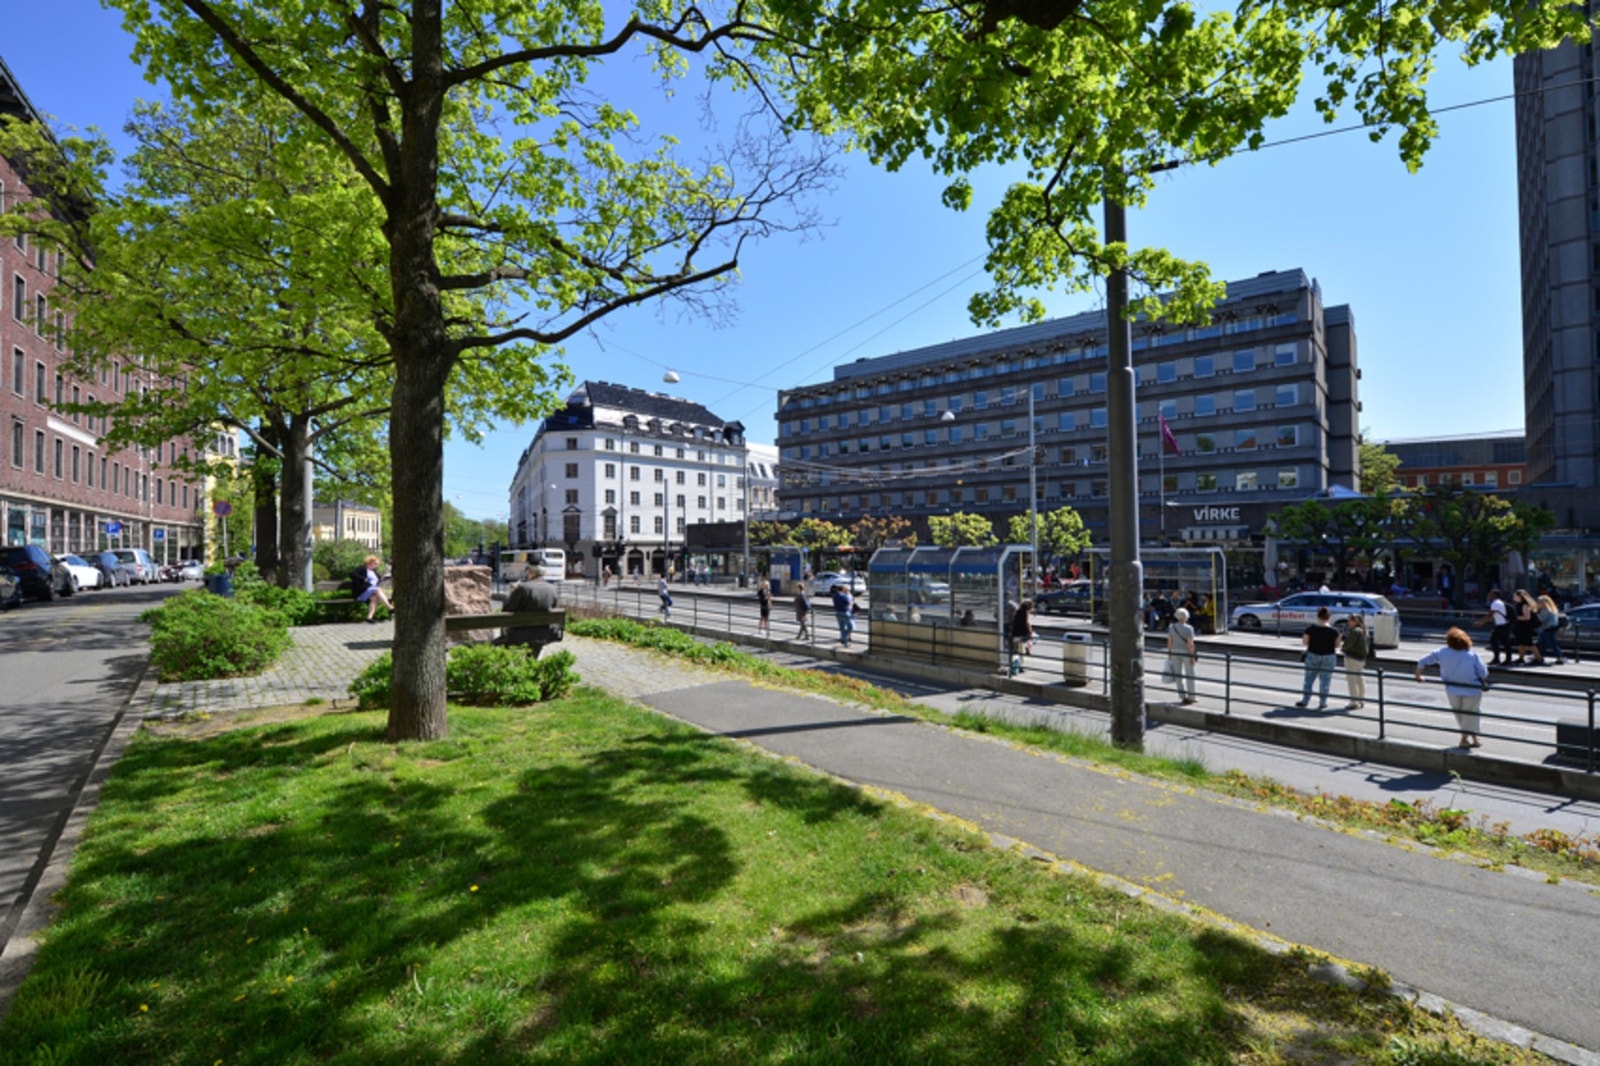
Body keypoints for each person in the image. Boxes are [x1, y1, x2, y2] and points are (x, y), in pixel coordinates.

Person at [1415, 626, 1490, 749]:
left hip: (1452, 689)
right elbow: (1484, 674)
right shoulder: (1472, 655)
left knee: (1460, 714)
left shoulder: (1442, 652)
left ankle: (1474, 738)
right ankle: (1464, 739)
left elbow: (1422, 661)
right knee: (1471, 714)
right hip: (1471, 689)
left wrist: (1418, 675)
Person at [496, 564, 561, 657]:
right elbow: (553, 607)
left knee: (507, 637)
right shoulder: (553, 588)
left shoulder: (524, 588)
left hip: (520, 633)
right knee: (534, 640)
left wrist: (513, 594)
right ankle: (532, 660)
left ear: (531, 573)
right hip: (545, 633)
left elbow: (507, 609)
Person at [1296, 605, 1339, 709]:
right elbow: (1337, 645)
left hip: (1313, 655)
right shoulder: (1335, 631)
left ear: (1318, 617)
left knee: (1309, 679)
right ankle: (1322, 702)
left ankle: (1305, 701)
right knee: (1325, 680)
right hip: (1329, 656)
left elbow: (1305, 642)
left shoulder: (1310, 629)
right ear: (1329, 617)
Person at [1166, 605, 1197, 704]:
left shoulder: (1171, 627)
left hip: (1174, 652)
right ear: (1185, 617)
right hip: (1186, 653)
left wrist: (1169, 652)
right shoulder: (1189, 628)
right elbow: (1190, 644)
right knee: (1190, 674)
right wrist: (1192, 656)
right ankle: (1191, 696)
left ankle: (1182, 696)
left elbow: (1169, 640)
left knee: (1178, 675)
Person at [1339, 614, 1370, 710]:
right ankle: (1361, 699)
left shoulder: (1355, 631)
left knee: (1351, 680)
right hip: (1361, 658)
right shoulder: (1364, 631)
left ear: (1355, 621)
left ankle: (1353, 702)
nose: (1348, 623)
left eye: (1350, 621)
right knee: (1360, 679)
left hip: (1352, 657)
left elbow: (1348, 644)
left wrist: (1343, 648)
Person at [355, 554, 393, 624]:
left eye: (377, 564)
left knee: (375, 598)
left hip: (371, 592)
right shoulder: (362, 568)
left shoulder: (374, 571)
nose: (376, 565)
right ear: (370, 562)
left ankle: (369, 617)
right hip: (361, 593)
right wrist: (363, 579)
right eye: (375, 563)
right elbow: (352, 574)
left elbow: (378, 580)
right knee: (377, 589)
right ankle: (389, 607)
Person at [1478, 589, 1512, 665]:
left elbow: (1490, 614)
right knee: (1506, 642)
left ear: (1495, 595)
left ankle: (1497, 659)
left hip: (1501, 625)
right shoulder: (1499, 602)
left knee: (1493, 640)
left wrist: (1481, 622)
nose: (1489, 595)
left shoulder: (1495, 603)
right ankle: (1508, 660)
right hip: (1505, 624)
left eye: (1490, 594)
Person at [1511, 589, 1543, 665]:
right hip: (1520, 626)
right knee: (1521, 642)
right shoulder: (1519, 604)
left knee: (1529, 643)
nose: (1513, 597)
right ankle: (1521, 658)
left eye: (1515, 595)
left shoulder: (1524, 605)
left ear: (1520, 596)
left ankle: (1539, 659)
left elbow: (1527, 617)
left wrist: (1515, 618)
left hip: (1525, 626)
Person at [1536, 593, 1565, 665]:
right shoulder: (1552, 609)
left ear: (1544, 603)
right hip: (1550, 628)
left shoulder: (1546, 610)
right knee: (1543, 643)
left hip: (1548, 628)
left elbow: (1541, 619)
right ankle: (1540, 656)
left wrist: (1535, 613)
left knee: (1550, 644)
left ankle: (1559, 657)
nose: (1537, 604)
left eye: (1539, 602)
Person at [831, 582, 856, 646]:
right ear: (842, 590)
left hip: (837, 612)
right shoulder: (844, 596)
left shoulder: (834, 596)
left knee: (842, 628)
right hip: (845, 612)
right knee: (851, 627)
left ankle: (845, 642)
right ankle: (844, 638)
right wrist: (852, 602)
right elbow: (848, 604)